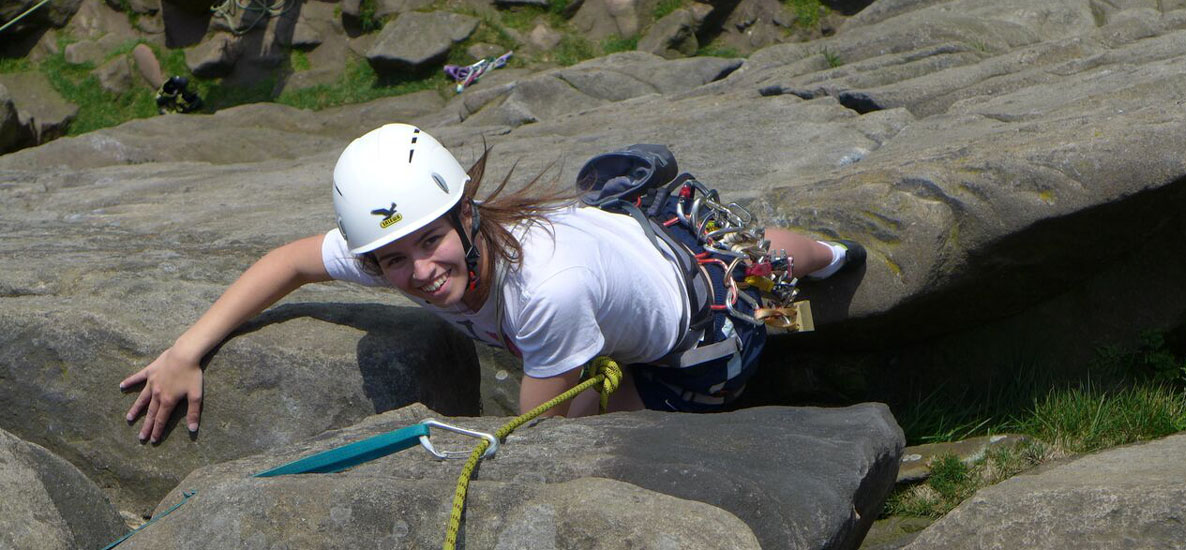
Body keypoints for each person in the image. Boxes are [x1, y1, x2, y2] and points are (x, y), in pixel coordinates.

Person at [120, 124, 864, 443]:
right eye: (393, 261)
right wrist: (185, 351)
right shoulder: (401, 239)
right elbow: (286, 263)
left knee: (748, 280)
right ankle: (815, 256)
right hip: (635, 241)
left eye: (431, 243)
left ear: (466, 215)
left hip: (689, 340)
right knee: (737, 251)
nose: (419, 273)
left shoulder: (546, 290)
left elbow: (546, 435)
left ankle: (830, 260)